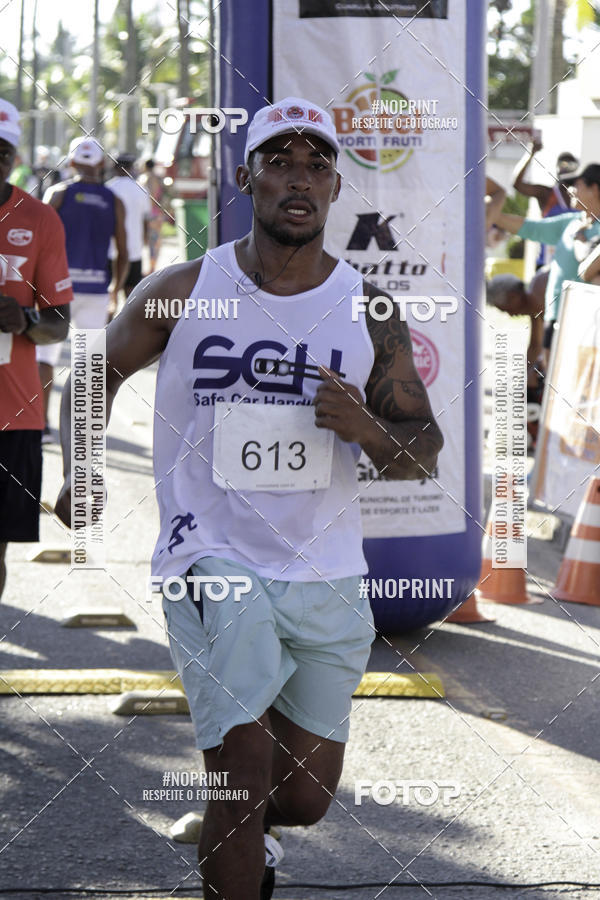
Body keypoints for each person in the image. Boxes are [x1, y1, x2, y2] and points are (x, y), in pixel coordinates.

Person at [54, 96, 443, 900]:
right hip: (211, 556)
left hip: (323, 567)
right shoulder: (186, 288)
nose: (298, 179)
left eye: (316, 166)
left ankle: (253, 839)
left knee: (301, 797)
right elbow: (94, 372)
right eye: (279, 162)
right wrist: (81, 471)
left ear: (335, 188)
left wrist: (367, 430)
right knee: (241, 769)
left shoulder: (368, 309)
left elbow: (422, 455)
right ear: (246, 179)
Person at [0, 98, 72, 600]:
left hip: (12, 414)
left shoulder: (40, 218)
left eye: (2, 152)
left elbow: (59, 323)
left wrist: (23, 319)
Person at [37, 137, 128, 438]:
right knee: (88, 364)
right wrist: (115, 289)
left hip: (57, 289)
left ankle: (42, 425)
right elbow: (124, 251)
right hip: (96, 291)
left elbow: (38, 242)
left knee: (45, 357)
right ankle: (83, 430)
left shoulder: (59, 193)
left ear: (72, 163)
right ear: (101, 163)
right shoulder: (113, 200)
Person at [495, 162, 600, 354]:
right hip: (554, 316)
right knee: (552, 378)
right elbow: (533, 229)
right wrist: (493, 215)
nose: (571, 191)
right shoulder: (572, 223)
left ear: (594, 189)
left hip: (586, 321)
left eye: (577, 185)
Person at [486, 268, 549, 449]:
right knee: (526, 381)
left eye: (505, 310)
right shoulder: (533, 306)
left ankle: (540, 437)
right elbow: (536, 345)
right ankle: (535, 435)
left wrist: (532, 372)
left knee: (536, 382)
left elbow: (547, 345)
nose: (509, 315)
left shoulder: (538, 294)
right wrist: (521, 377)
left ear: (514, 296)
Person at [512, 140, 578, 267]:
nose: (566, 168)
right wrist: (530, 154)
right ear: (557, 168)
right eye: (563, 164)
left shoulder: (582, 198)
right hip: (548, 262)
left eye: (571, 165)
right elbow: (518, 185)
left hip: (573, 264)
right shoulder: (547, 193)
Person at [105, 153, 152, 315]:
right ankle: (126, 334)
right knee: (131, 297)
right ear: (131, 168)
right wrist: (145, 241)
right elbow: (146, 220)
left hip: (110, 251)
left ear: (115, 168)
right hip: (134, 250)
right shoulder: (141, 189)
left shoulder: (108, 188)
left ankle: (104, 336)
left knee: (107, 298)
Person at [138, 158, 167, 273]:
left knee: (151, 241)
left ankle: (151, 268)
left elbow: (151, 197)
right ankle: (151, 267)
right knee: (154, 241)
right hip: (156, 214)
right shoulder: (157, 177)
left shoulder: (147, 178)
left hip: (151, 214)